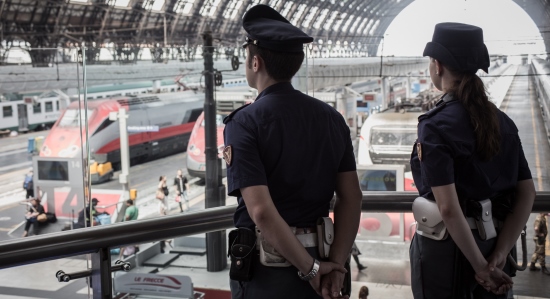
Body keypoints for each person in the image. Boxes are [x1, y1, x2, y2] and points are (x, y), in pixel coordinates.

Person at [224, 5, 362, 299]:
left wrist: (310, 270)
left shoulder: (244, 123)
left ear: (256, 62)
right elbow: (351, 198)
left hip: (268, 269)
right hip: (324, 255)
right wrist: (334, 265)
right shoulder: (331, 118)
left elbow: (260, 211)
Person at [409, 22, 536, 298]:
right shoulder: (502, 121)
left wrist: (480, 268)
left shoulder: (434, 126)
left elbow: (449, 208)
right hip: (497, 247)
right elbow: (527, 193)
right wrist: (499, 253)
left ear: (437, 65)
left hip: (448, 254)